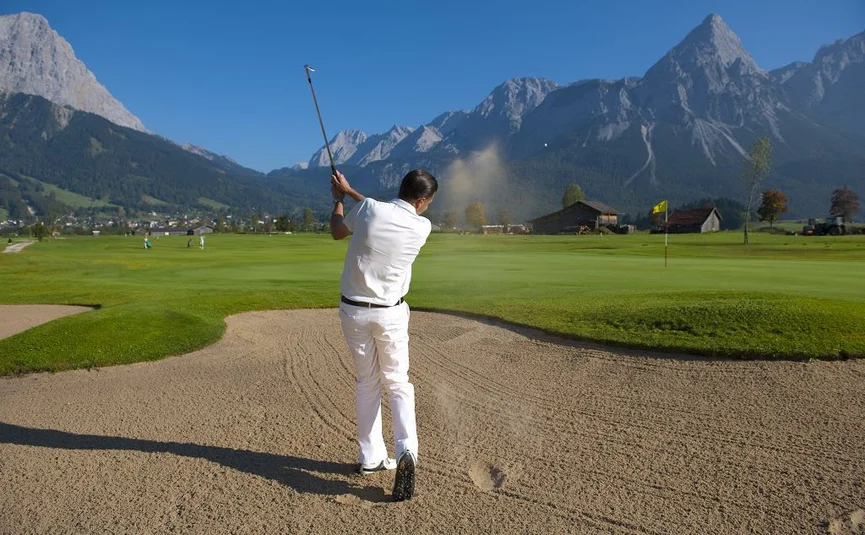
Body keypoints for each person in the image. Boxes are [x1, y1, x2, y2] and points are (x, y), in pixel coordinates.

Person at [330, 168, 437, 502]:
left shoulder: (368, 211)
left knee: (367, 382)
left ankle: (371, 457)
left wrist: (339, 201)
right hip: (390, 313)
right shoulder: (423, 227)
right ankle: (408, 452)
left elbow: (337, 231)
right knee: (398, 382)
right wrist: (351, 193)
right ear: (421, 201)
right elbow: (377, 211)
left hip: (354, 311)